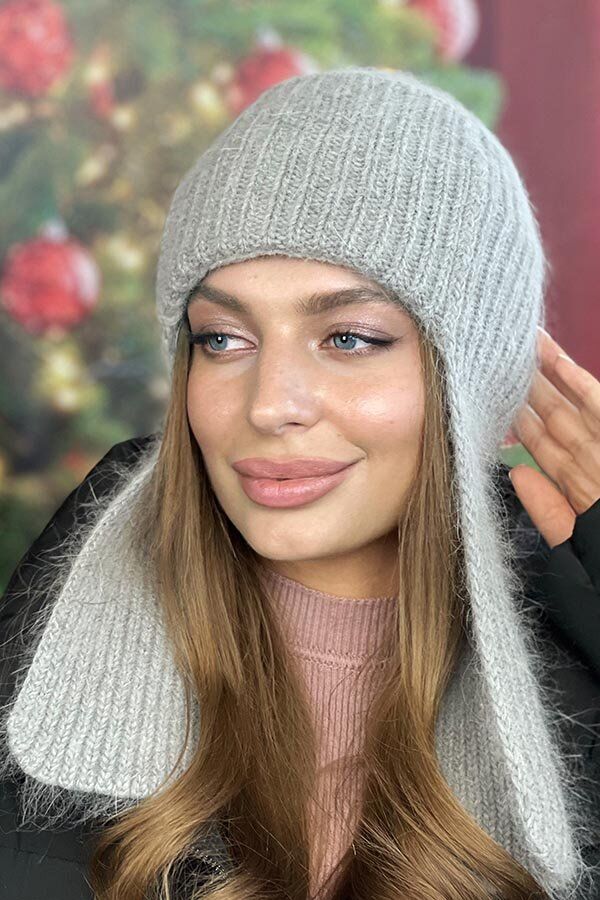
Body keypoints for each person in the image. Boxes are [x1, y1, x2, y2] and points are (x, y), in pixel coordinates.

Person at [0, 66, 599, 900]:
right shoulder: (49, 651)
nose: (270, 405)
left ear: (479, 376)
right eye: (222, 339)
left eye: (349, 338)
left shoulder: (577, 650)